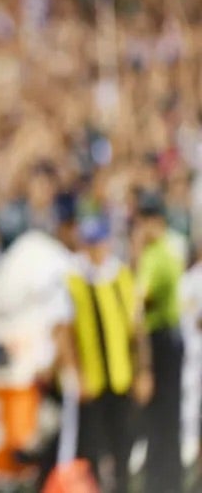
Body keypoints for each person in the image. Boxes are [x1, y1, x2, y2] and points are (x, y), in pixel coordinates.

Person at [60, 215, 152, 493]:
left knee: (123, 443)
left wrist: (143, 371)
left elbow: (137, 331)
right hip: (93, 378)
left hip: (121, 375)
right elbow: (67, 333)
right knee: (93, 448)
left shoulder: (121, 277)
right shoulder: (75, 281)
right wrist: (76, 373)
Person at [132, 191, 185, 493]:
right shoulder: (170, 249)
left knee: (159, 420)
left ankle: (161, 483)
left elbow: (139, 304)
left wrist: (144, 368)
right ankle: (169, 482)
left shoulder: (155, 255)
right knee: (168, 418)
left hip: (160, 342)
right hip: (171, 340)